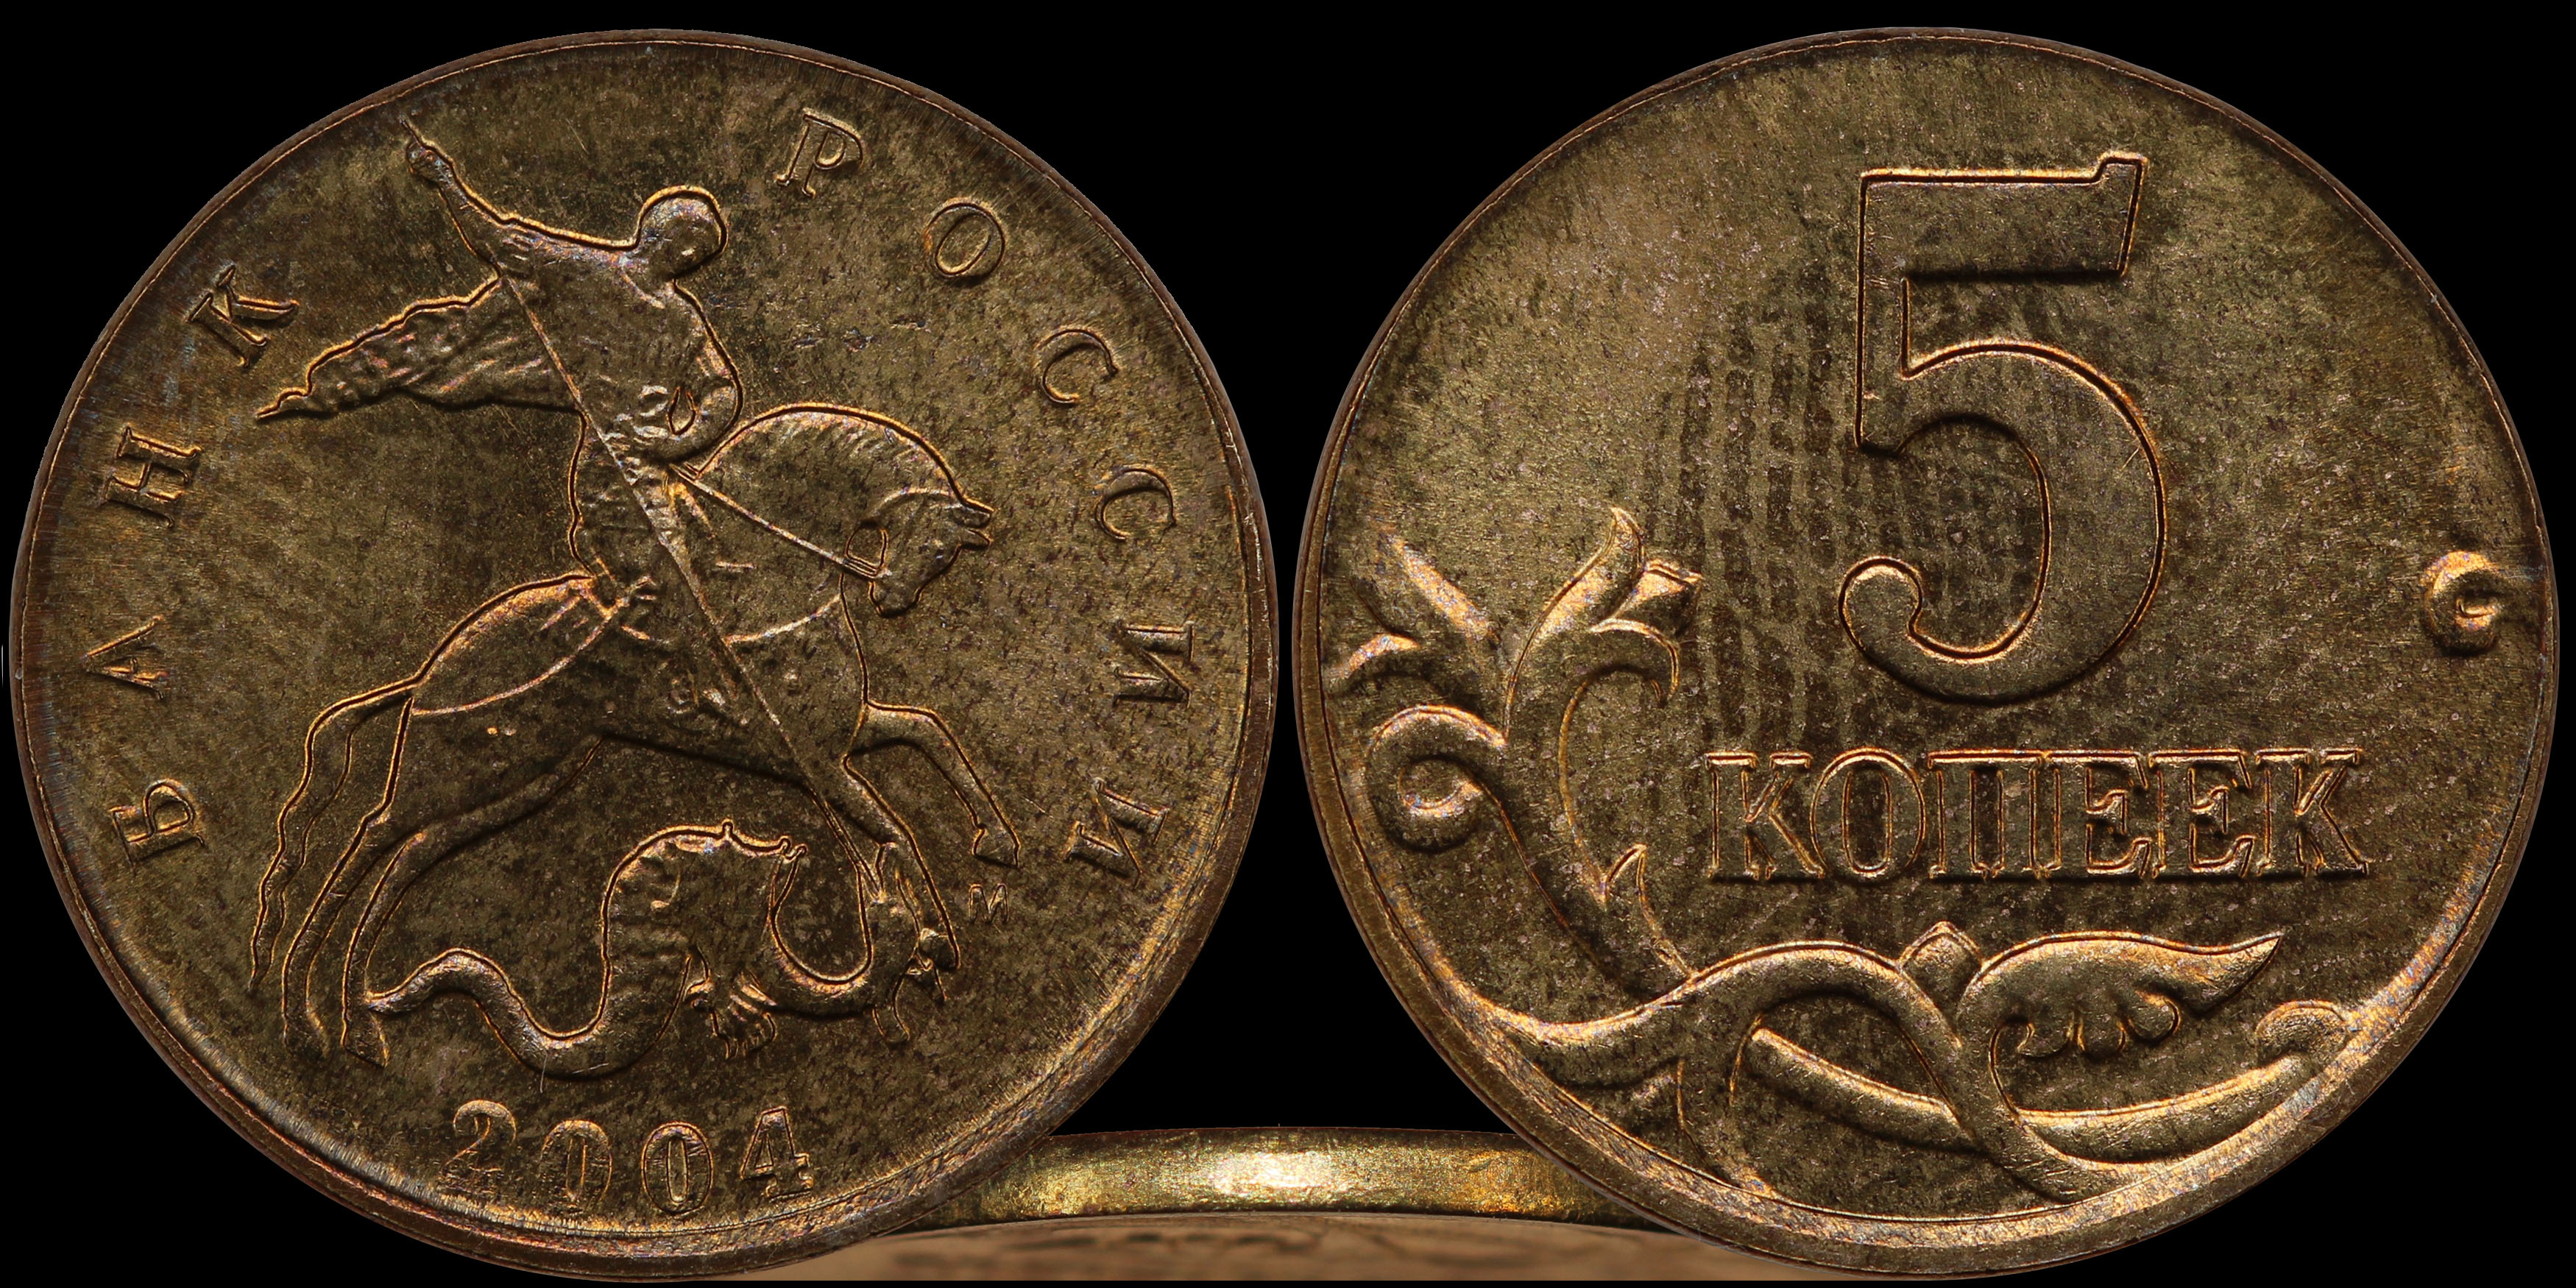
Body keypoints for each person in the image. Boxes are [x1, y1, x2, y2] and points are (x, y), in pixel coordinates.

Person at [265, 132, 741, 655]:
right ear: (656, 234)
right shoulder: (584, 270)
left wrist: (677, 443)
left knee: (717, 566)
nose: (694, 255)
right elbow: (495, 241)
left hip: (650, 463)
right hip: (613, 469)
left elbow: (720, 389)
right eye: (690, 242)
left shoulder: (682, 319)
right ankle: (646, 663)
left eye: (703, 250)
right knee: (670, 583)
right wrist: (446, 182)